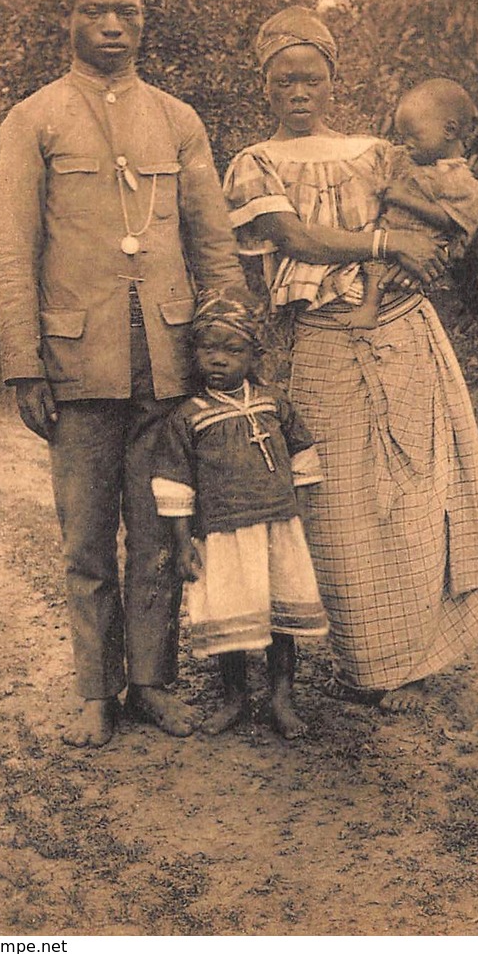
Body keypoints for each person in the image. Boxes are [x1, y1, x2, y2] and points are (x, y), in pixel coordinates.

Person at [0, 0, 248, 747]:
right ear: (66, 17)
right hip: (75, 367)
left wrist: (229, 344)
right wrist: (24, 363)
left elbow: (213, 248)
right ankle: (94, 694)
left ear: (144, 16)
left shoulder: (177, 120)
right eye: (95, 11)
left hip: (170, 364)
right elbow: (13, 249)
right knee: (85, 540)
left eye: (127, 11)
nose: (112, 26)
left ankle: (152, 683)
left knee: (162, 533)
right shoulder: (33, 119)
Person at [223, 6, 478, 715]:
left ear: (332, 80)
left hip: (405, 334)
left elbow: (440, 213)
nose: (298, 92)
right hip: (322, 339)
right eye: (284, 79)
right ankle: (366, 660)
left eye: (311, 78)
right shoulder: (252, 164)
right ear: (265, 85)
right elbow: (294, 236)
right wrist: (384, 249)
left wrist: (431, 249)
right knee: (340, 504)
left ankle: (410, 660)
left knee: (414, 494)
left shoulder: (375, 151)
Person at [151, 291, 328, 739]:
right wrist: (182, 545)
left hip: (277, 530)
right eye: (209, 348)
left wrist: (299, 520)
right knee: (233, 619)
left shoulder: (273, 403)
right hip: (223, 536)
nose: (219, 359)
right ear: (194, 353)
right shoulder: (188, 417)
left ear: (253, 355)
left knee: (279, 619)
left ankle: (281, 699)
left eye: (233, 350)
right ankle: (234, 699)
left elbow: (304, 458)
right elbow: (175, 485)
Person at [347, 78, 478, 329]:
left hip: (425, 248)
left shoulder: (460, 181)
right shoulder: (407, 159)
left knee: (417, 295)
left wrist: (403, 199)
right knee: (375, 267)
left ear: (450, 131)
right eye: (403, 136)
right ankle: (369, 310)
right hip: (390, 240)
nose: (407, 143)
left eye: (415, 136)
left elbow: (452, 220)